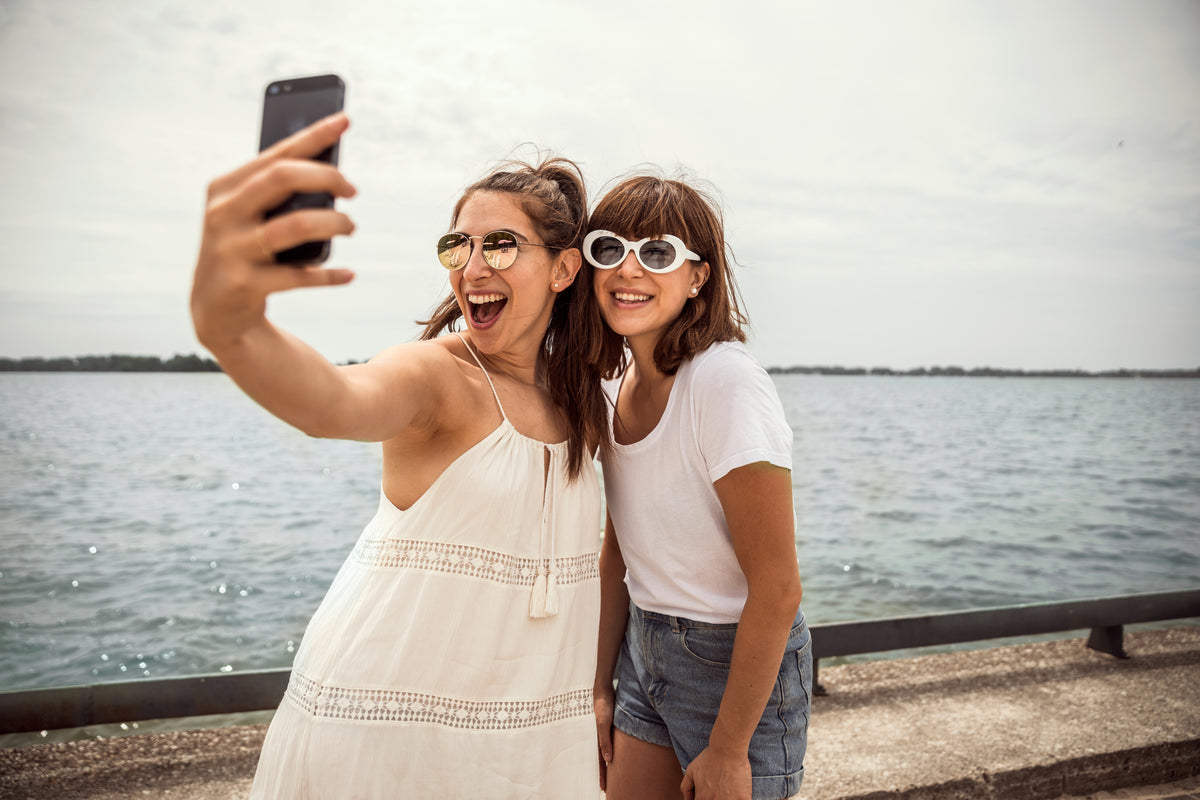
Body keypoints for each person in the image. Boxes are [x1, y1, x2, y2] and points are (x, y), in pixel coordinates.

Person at [189, 113, 610, 798]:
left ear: (565, 268)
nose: (472, 268)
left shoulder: (579, 400)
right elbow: (333, 400)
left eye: (501, 246)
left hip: (528, 745)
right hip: (384, 735)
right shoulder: (435, 377)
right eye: (459, 246)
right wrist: (230, 325)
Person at [587, 173, 811, 800]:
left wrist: (730, 749)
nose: (628, 270)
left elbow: (778, 585)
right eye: (609, 249)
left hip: (733, 665)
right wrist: (600, 684)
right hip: (645, 645)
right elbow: (618, 552)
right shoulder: (614, 387)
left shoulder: (724, 384)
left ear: (698, 277)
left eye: (657, 252)